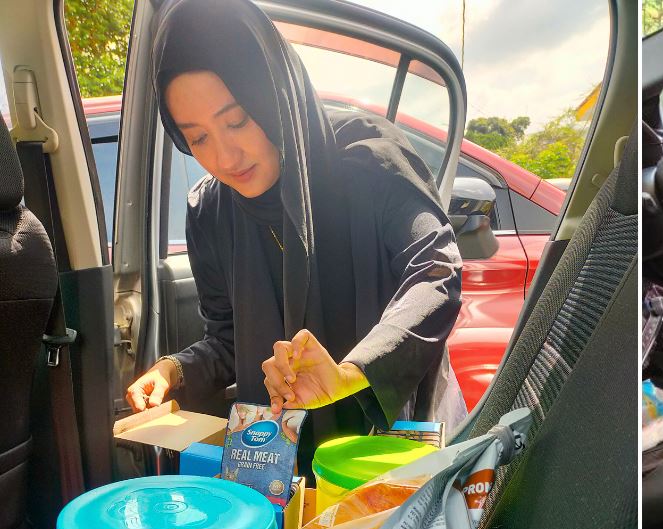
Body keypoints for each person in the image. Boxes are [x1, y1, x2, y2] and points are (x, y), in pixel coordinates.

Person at [124, 0, 467, 471]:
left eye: (237, 120)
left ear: (270, 94)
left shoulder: (369, 160)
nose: (225, 157)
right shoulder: (210, 211)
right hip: (274, 449)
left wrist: (351, 373)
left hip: (382, 442)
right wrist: (174, 369)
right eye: (198, 138)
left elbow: (436, 271)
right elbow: (227, 337)